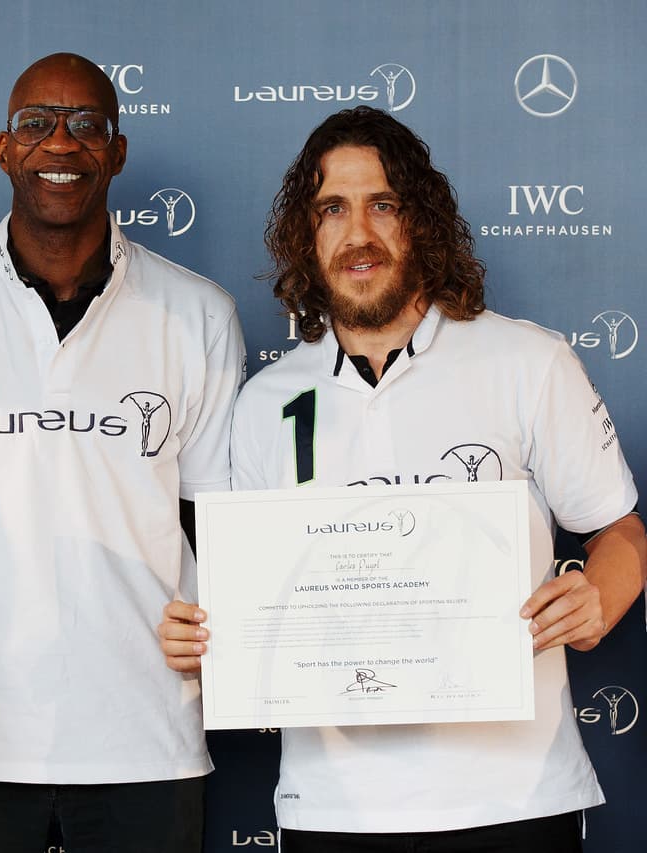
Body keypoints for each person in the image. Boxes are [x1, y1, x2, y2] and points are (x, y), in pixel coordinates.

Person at [159, 106, 646, 852]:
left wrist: (598, 598)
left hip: (514, 800)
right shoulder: (265, 403)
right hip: (333, 809)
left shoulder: (528, 362)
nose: (358, 232)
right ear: (307, 236)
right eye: (332, 209)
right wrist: (198, 634)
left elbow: (619, 529)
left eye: (382, 205)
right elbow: (248, 599)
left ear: (421, 222)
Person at [0, 53, 245, 852]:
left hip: (145, 732)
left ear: (118, 150)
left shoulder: (199, 313)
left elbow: (214, 525)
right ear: (5, 148)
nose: (61, 144)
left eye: (86, 125)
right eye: (36, 123)